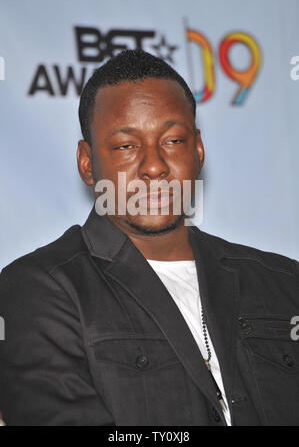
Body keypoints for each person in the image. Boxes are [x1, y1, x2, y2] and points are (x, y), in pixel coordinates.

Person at [0, 50, 298, 427]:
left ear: (199, 150)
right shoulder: (38, 289)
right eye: (126, 146)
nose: (155, 166)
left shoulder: (284, 282)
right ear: (87, 164)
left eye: (173, 140)